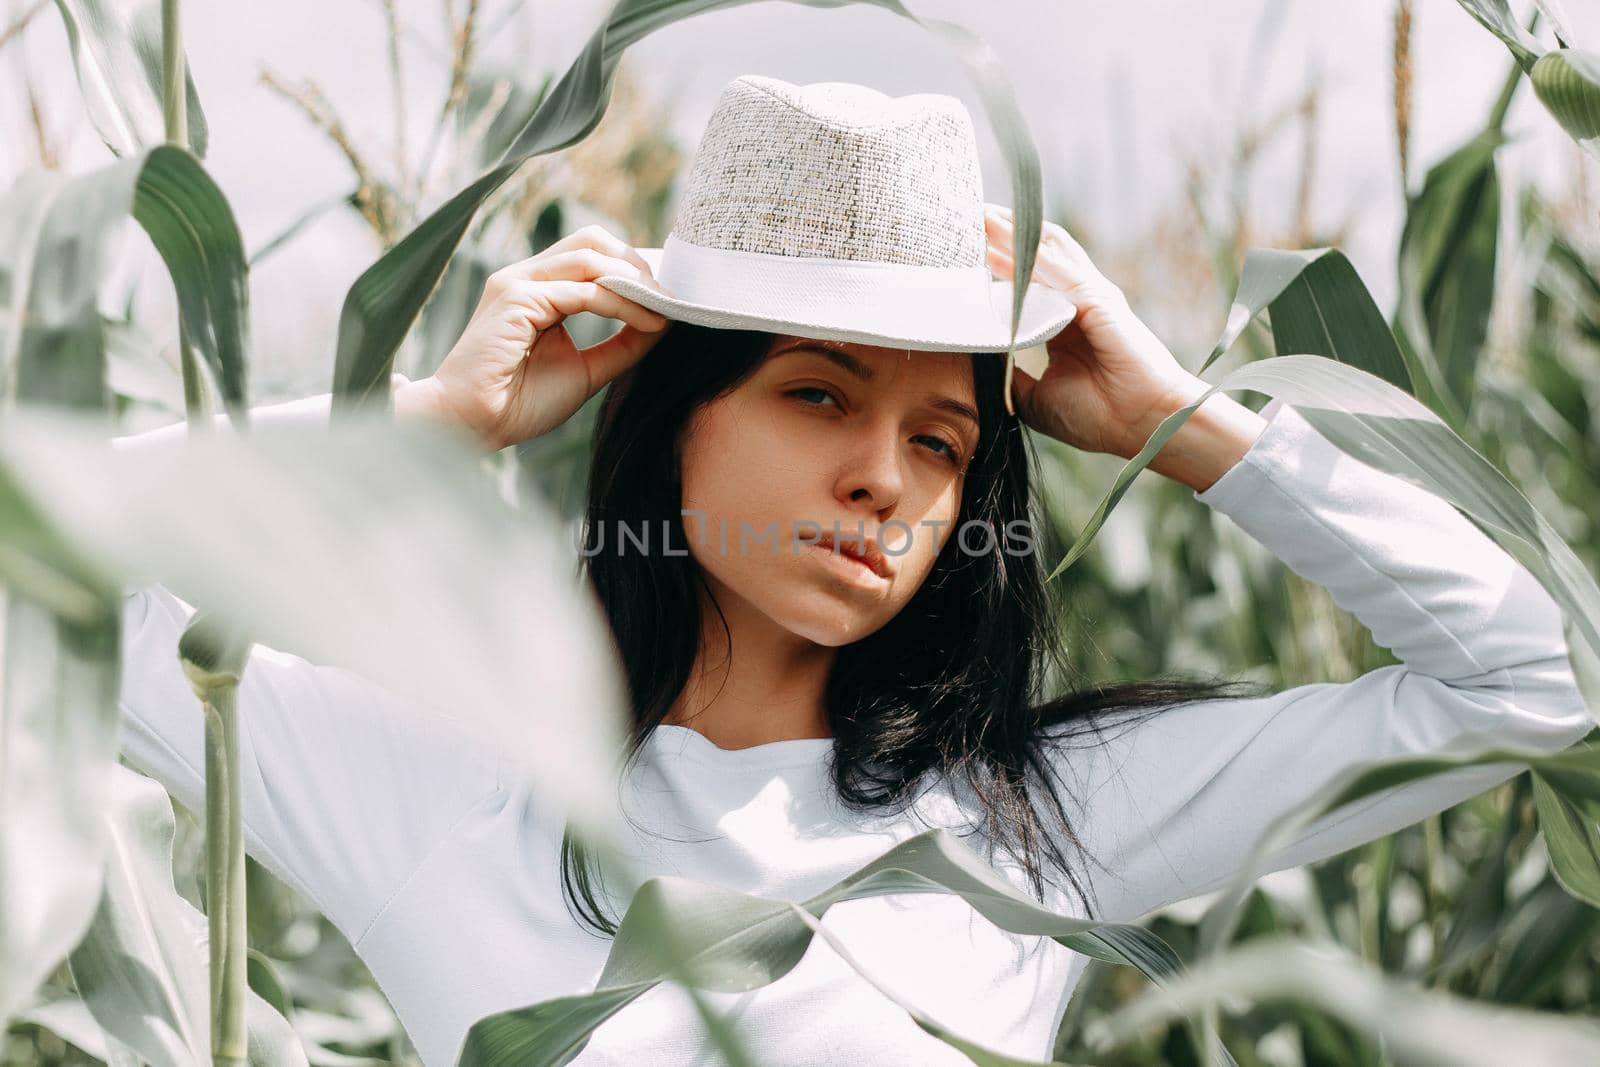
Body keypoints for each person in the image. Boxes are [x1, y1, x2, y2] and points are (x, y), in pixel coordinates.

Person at [113, 75, 1592, 1066]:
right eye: (818, 395)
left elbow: (1540, 681)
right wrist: (430, 420)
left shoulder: (1038, 824)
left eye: (944, 443)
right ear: (670, 415)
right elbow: (42, 575)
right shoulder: (446, 787)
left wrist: (1177, 423)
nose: (887, 475)